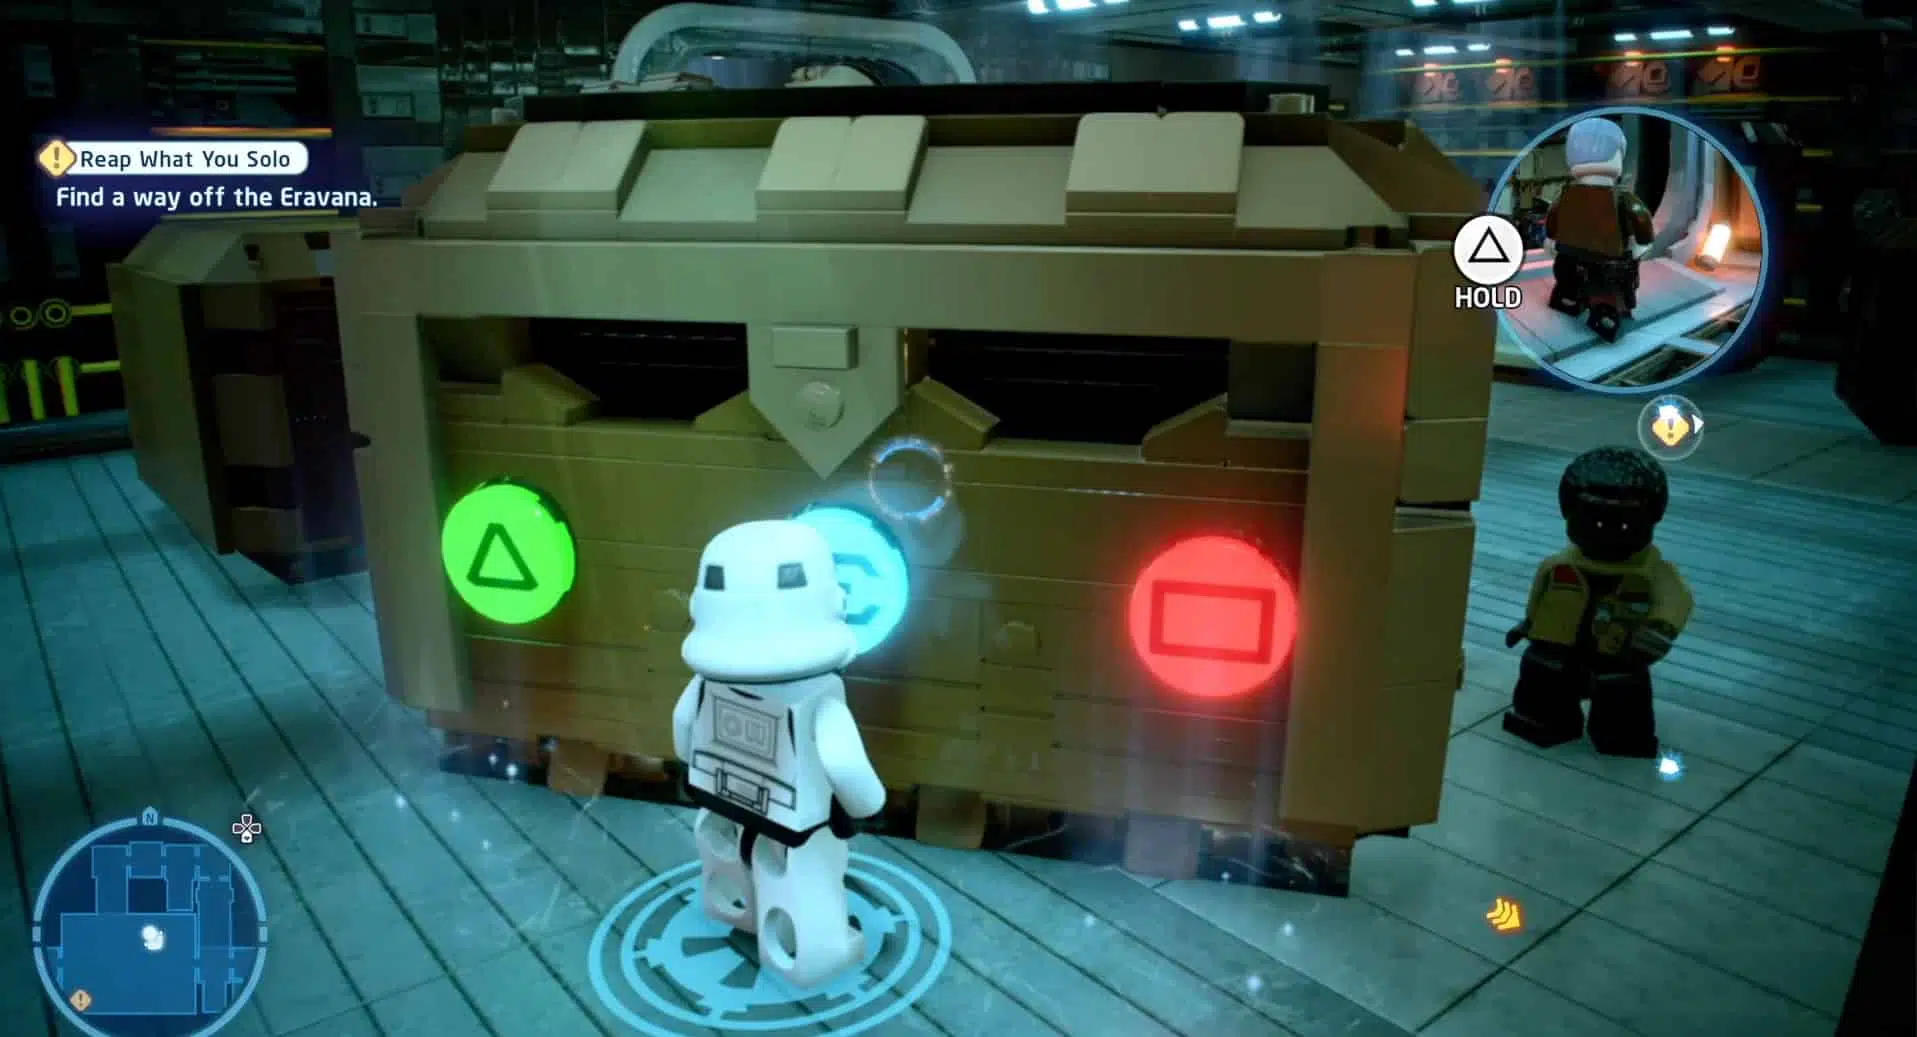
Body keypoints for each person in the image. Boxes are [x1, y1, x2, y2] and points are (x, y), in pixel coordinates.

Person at [672, 519, 887, 988]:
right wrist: (868, 805)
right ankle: (816, 951)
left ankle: (737, 909)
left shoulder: (706, 682)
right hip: (796, 814)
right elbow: (846, 764)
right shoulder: (818, 699)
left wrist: (694, 764)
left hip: (719, 789)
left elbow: (683, 725)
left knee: (731, 850)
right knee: (805, 875)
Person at [1502, 447, 1692, 758]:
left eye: (1624, 525)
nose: (1608, 534)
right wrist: (1529, 625)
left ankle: (1621, 736)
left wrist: (1658, 632)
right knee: (1542, 674)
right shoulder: (1559, 566)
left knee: (1620, 688)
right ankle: (1542, 720)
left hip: (1622, 652)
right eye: (1596, 522)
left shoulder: (1655, 573)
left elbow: (1675, 602)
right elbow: (1541, 596)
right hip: (1558, 645)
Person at [1544, 117, 1657, 343]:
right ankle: (1606, 312)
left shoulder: (1564, 196)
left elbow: (1552, 221)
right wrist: (1642, 244)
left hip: (1568, 253)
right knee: (1608, 287)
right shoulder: (1623, 198)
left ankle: (1569, 298)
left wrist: (1551, 240)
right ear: (1618, 155)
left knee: (1569, 279)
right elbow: (1641, 219)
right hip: (1609, 260)